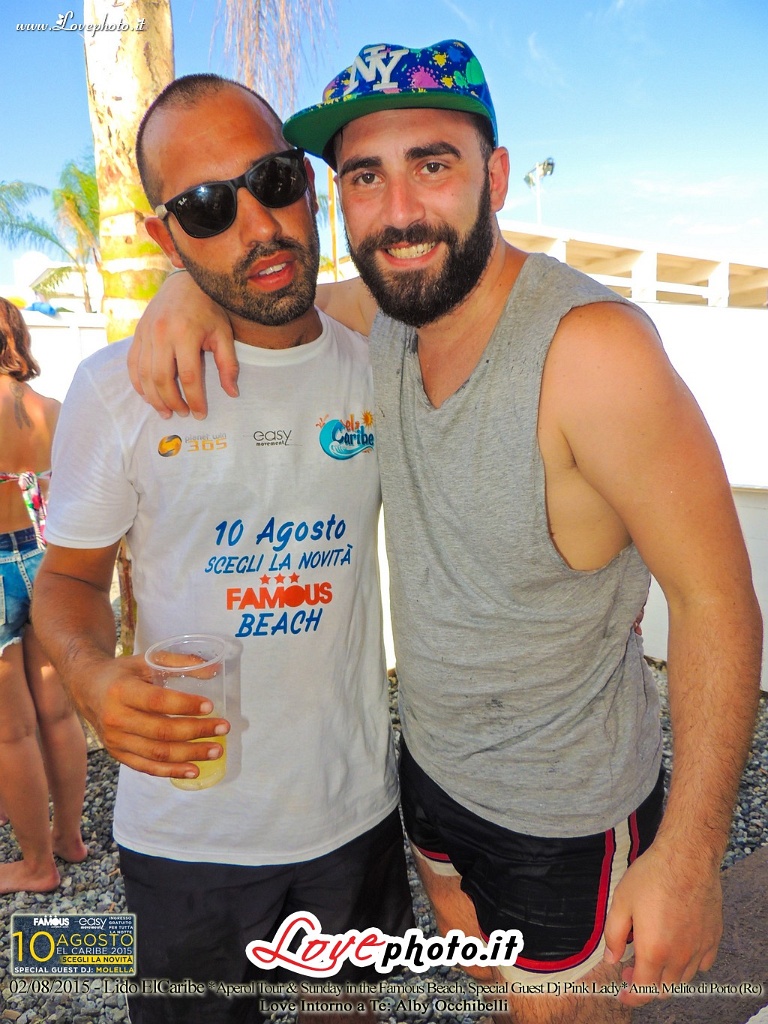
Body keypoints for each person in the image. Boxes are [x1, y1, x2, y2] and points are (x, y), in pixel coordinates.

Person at [127, 40, 761, 1024]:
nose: (400, 212)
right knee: (492, 991)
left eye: (432, 164)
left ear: (494, 177)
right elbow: (272, 295)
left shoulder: (592, 354)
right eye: (364, 177)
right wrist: (180, 285)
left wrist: (688, 854)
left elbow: (716, 598)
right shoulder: (389, 319)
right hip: (429, 783)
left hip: (563, 815)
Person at [32, 74, 413, 1024]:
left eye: (274, 181)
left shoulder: (385, 365)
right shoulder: (115, 390)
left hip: (351, 812)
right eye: (207, 207)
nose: (259, 225)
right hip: (185, 831)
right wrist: (90, 675)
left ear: (308, 183)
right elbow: (68, 578)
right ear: (166, 236)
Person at [0, 297, 88, 894]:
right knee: (57, 710)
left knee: (11, 730)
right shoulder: (53, 410)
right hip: (47, 559)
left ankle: (35, 866)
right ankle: (69, 837)